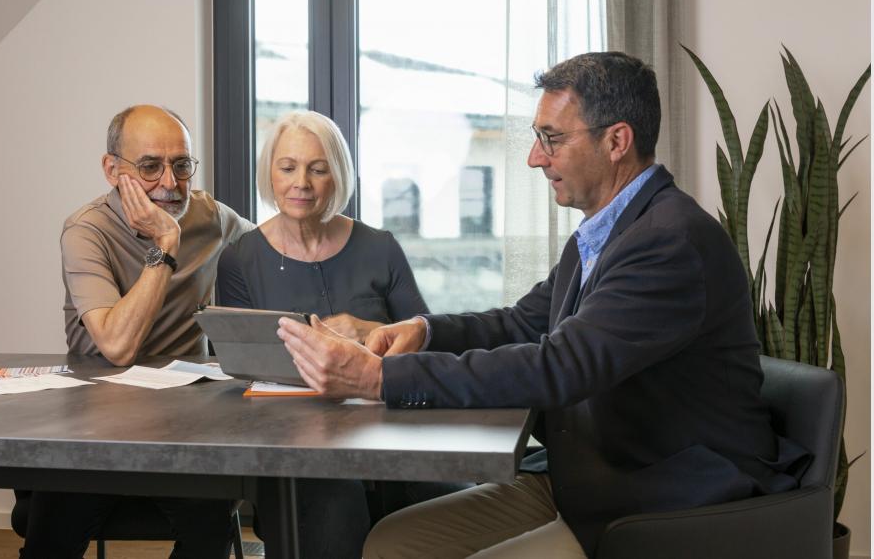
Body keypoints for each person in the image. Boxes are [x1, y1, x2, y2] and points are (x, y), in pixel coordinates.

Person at [274, 52, 808, 558]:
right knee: (394, 543)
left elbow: (560, 365)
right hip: (585, 482)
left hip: (661, 499)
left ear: (617, 140)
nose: (536, 158)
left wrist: (378, 380)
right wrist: (422, 330)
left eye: (551, 139)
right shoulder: (602, 234)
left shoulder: (669, 242)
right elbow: (523, 323)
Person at [217, 110, 456, 558]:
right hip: (297, 447)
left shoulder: (380, 247)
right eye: (287, 167)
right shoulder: (239, 260)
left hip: (394, 433)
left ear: (337, 175)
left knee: (456, 498)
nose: (301, 182)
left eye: (318, 168)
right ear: (269, 173)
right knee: (335, 510)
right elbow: (239, 372)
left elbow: (427, 345)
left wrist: (371, 331)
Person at [19, 104, 254, 559]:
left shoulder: (213, 218)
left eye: (181, 165)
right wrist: (165, 245)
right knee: (49, 541)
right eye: (150, 166)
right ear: (112, 169)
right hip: (94, 423)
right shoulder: (86, 230)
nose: (169, 183)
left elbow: (275, 253)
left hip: (186, 422)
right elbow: (117, 345)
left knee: (212, 532)